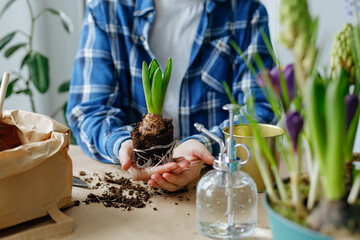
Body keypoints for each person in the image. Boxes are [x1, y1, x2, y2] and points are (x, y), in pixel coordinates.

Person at [66, 0, 276, 192]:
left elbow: (260, 107)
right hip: (136, 186)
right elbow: (89, 110)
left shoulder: (245, 12)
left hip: (213, 186)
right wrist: (125, 146)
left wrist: (205, 144)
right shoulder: (107, 9)